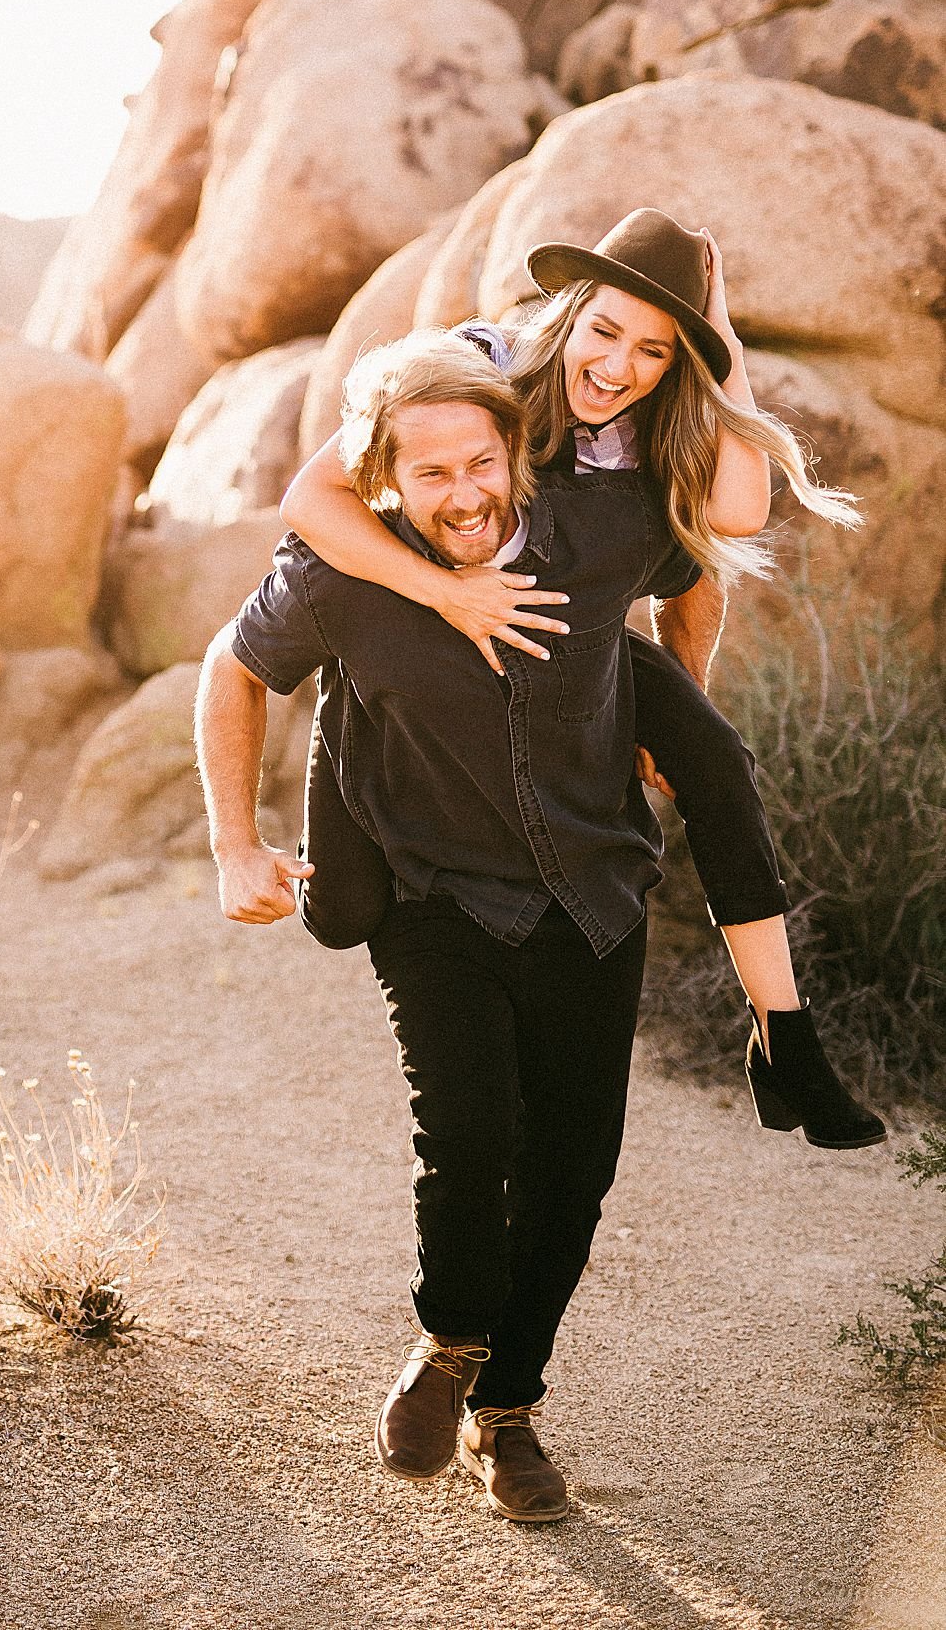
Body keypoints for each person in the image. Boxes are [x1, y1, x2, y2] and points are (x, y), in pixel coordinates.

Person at [195, 327, 711, 1518]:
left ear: (516, 455)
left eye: (481, 463)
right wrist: (235, 842)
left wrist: (680, 721)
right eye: (431, 474)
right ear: (381, 478)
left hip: (593, 889)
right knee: (470, 1132)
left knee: (574, 1168)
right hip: (434, 899)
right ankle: (448, 1343)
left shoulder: (600, 531)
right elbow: (232, 668)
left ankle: (507, 1411)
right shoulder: (337, 577)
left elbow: (699, 577)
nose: (466, 495)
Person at [281, 210, 882, 1152]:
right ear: (567, 311)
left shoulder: (653, 426)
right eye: (605, 330)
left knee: (718, 764)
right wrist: (448, 595)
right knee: (344, 913)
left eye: (655, 349)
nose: (619, 366)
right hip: (419, 640)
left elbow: (732, 515)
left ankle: (786, 1039)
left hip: (576, 641)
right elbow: (308, 499)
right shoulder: (476, 366)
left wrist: (717, 334)